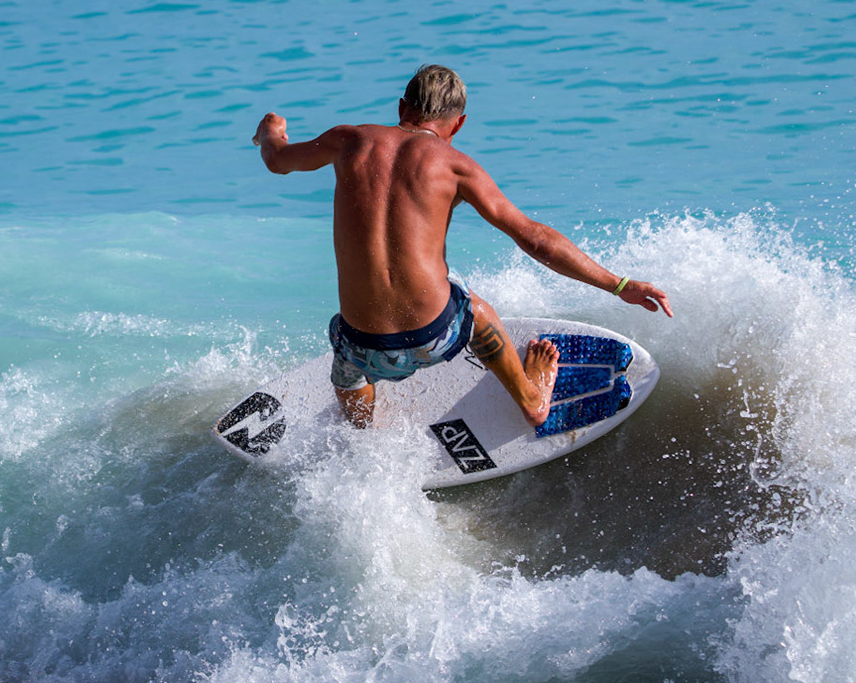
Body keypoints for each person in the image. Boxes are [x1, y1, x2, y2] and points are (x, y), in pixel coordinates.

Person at [252, 64, 672, 430]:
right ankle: (531, 401)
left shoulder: (347, 140)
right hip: (435, 336)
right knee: (474, 304)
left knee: (347, 371)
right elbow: (535, 239)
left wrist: (270, 131)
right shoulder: (457, 166)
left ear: (401, 108)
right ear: (458, 124)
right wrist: (619, 285)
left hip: (365, 347)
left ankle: (362, 436)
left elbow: (277, 160)